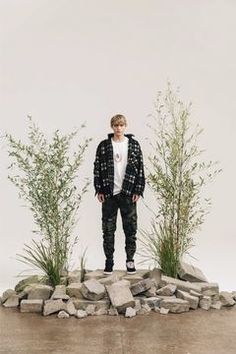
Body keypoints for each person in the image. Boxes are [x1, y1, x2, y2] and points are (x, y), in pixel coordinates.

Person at [93, 114, 145, 275]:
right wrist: (99, 189)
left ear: (125, 126)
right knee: (108, 230)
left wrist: (138, 190)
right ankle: (109, 261)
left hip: (128, 193)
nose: (119, 128)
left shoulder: (134, 145)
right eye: (116, 125)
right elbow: (97, 168)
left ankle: (130, 260)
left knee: (130, 229)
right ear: (112, 127)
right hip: (109, 194)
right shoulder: (104, 146)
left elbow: (140, 169)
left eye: (121, 125)